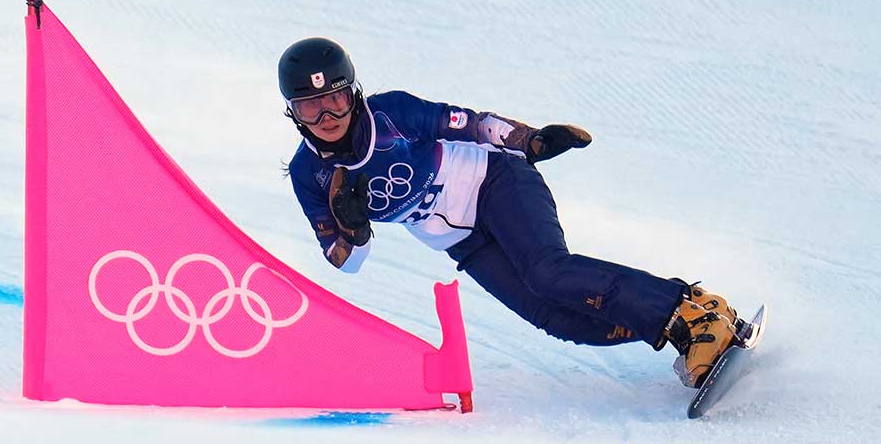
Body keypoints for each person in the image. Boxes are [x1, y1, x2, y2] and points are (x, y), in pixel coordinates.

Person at [280, 37, 743, 388]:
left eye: (335, 100)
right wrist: (354, 230)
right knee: (561, 320)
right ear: (294, 113)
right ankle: (692, 321)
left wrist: (532, 142)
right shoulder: (309, 174)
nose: (327, 117)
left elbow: (473, 124)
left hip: (496, 183)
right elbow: (345, 261)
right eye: (311, 107)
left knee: (548, 273)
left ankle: (685, 312)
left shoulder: (392, 114)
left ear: (354, 94)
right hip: (463, 241)